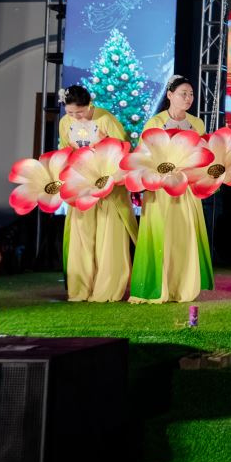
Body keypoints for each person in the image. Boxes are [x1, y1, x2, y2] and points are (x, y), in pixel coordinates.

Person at [130, 76, 212, 303]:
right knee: (162, 233)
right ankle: (158, 287)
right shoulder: (155, 123)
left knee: (184, 233)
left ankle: (183, 286)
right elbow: (143, 155)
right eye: (183, 93)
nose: (188, 98)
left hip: (187, 186)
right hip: (160, 188)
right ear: (169, 95)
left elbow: (202, 153)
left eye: (191, 94)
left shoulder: (197, 123)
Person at [58, 85, 136, 302]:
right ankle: (79, 289)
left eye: (80, 112)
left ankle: (107, 290)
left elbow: (124, 150)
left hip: (107, 187)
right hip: (81, 186)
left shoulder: (105, 119)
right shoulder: (65, 123)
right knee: (81, 238)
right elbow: (64, 150)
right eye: (70, 112)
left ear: (89, 104)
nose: (75, 116)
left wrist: (105, 141)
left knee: (109, 238)